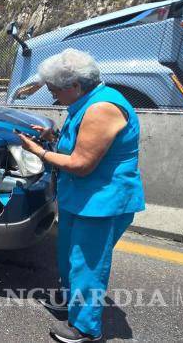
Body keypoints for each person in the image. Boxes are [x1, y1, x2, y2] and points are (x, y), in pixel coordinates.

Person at [16, 49, 145, 342]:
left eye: (54, 91)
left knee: (87, 264)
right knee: (68, 257)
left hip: (102, 202)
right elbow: (79, 144)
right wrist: (53, 139)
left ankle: (86, 328)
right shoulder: (85, 103)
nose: (53, 97)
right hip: (81, 198)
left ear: (74, 86)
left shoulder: (102, 109)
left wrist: (40, 152)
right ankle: (71, 303)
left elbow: (81, 164)